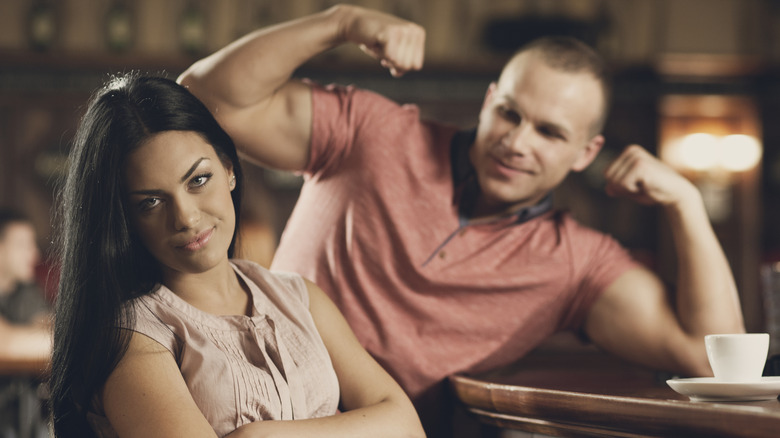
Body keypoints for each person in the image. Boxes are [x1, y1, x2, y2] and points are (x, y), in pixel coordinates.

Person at [178, 4, 745, 436]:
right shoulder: (375, 133)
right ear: (489, 98)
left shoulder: (574, 262)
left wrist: (686, 205)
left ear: (585, 153)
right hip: (234, 407)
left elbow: (710, 357)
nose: (517, 142)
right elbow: (206, 98)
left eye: (549, 133)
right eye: (510, 113)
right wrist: (341, 21)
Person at [47, 73, 424, 438]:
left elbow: (405, 424)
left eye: (198, 180)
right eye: (151, 202)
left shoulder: (298, 297)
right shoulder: (131, 336)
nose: (186, 217)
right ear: (124, 218)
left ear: (229, 170)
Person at [0, 208, 51, 438]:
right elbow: (6, 345)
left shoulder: (26, 294)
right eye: (23, 245)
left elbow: (51, 327)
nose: (35, 254)